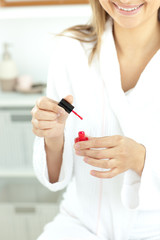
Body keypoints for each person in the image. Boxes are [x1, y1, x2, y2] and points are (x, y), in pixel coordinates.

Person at [31, 0, 160, 239]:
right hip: (81, 225)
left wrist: (141, 159)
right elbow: (55, 177)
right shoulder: (71, 50)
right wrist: (53, 136)